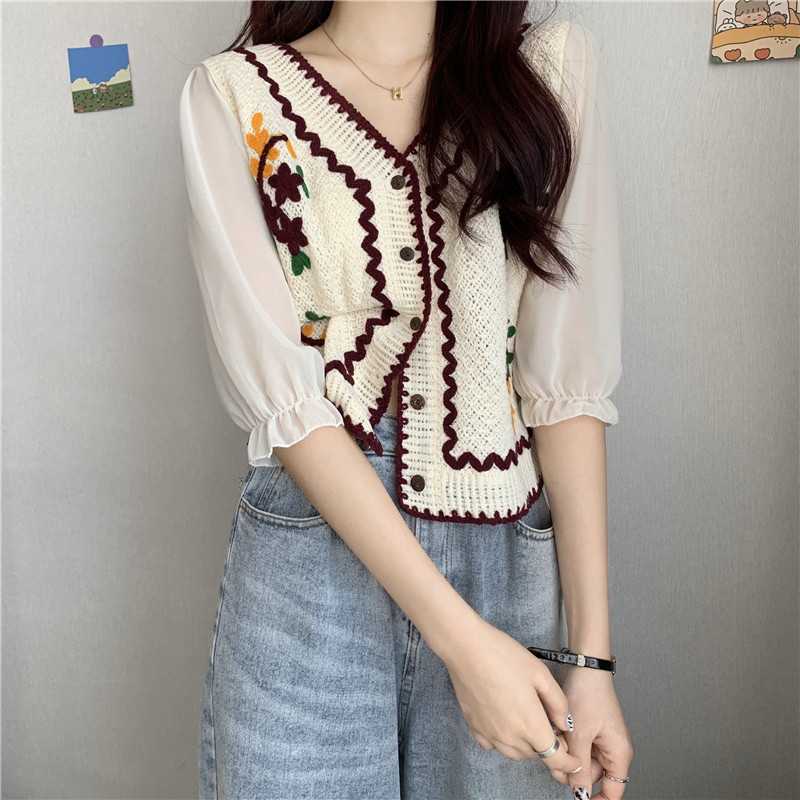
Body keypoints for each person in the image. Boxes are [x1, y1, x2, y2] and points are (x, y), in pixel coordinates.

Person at [178, 1, 633, 797]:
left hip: (502, 548)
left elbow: (565, 380)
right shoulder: (232, 93)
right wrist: (462, 643)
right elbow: (287, 402)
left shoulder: (551, 71)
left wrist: (590, 660)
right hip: (312, 556)